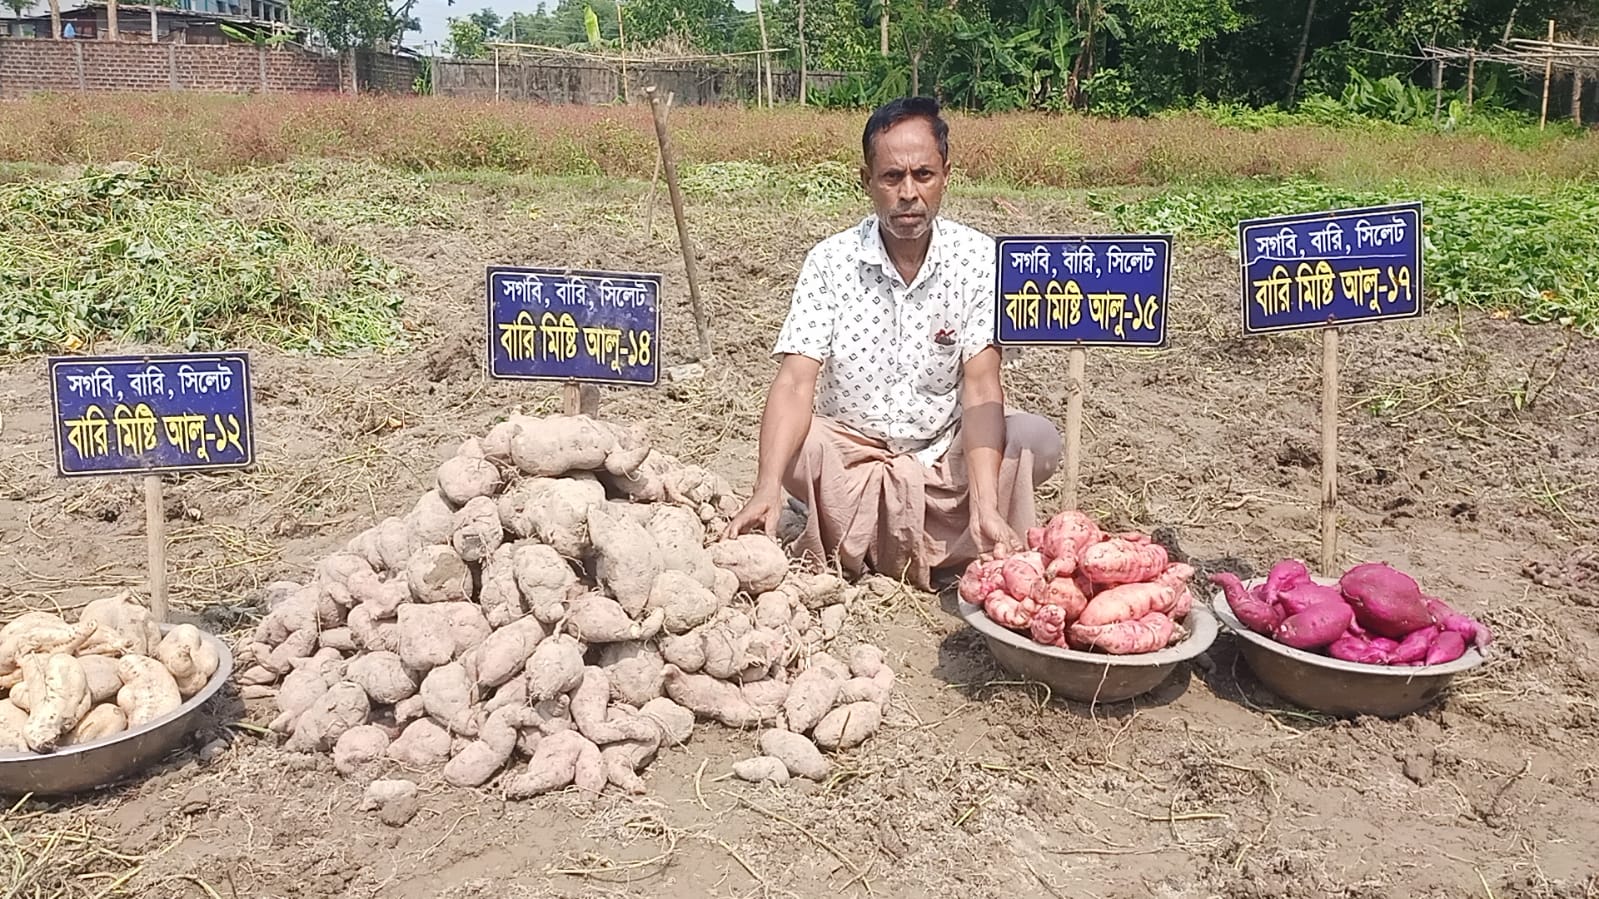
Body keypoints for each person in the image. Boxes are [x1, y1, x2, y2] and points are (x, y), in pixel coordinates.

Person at [725, 96, 1063, 592]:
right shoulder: (831, 262)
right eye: (891, 178)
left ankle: (960, 524)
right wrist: (766, 487)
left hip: (945, 458)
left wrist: (987, 502)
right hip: (853, 456)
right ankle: (930, 540)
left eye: (923, 175)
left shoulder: (978, 260)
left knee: (1037, 441)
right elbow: (797, 382)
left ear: (946, 174)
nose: (908, 194)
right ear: (867, 181)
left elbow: (980, 385)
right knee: (796, 453)